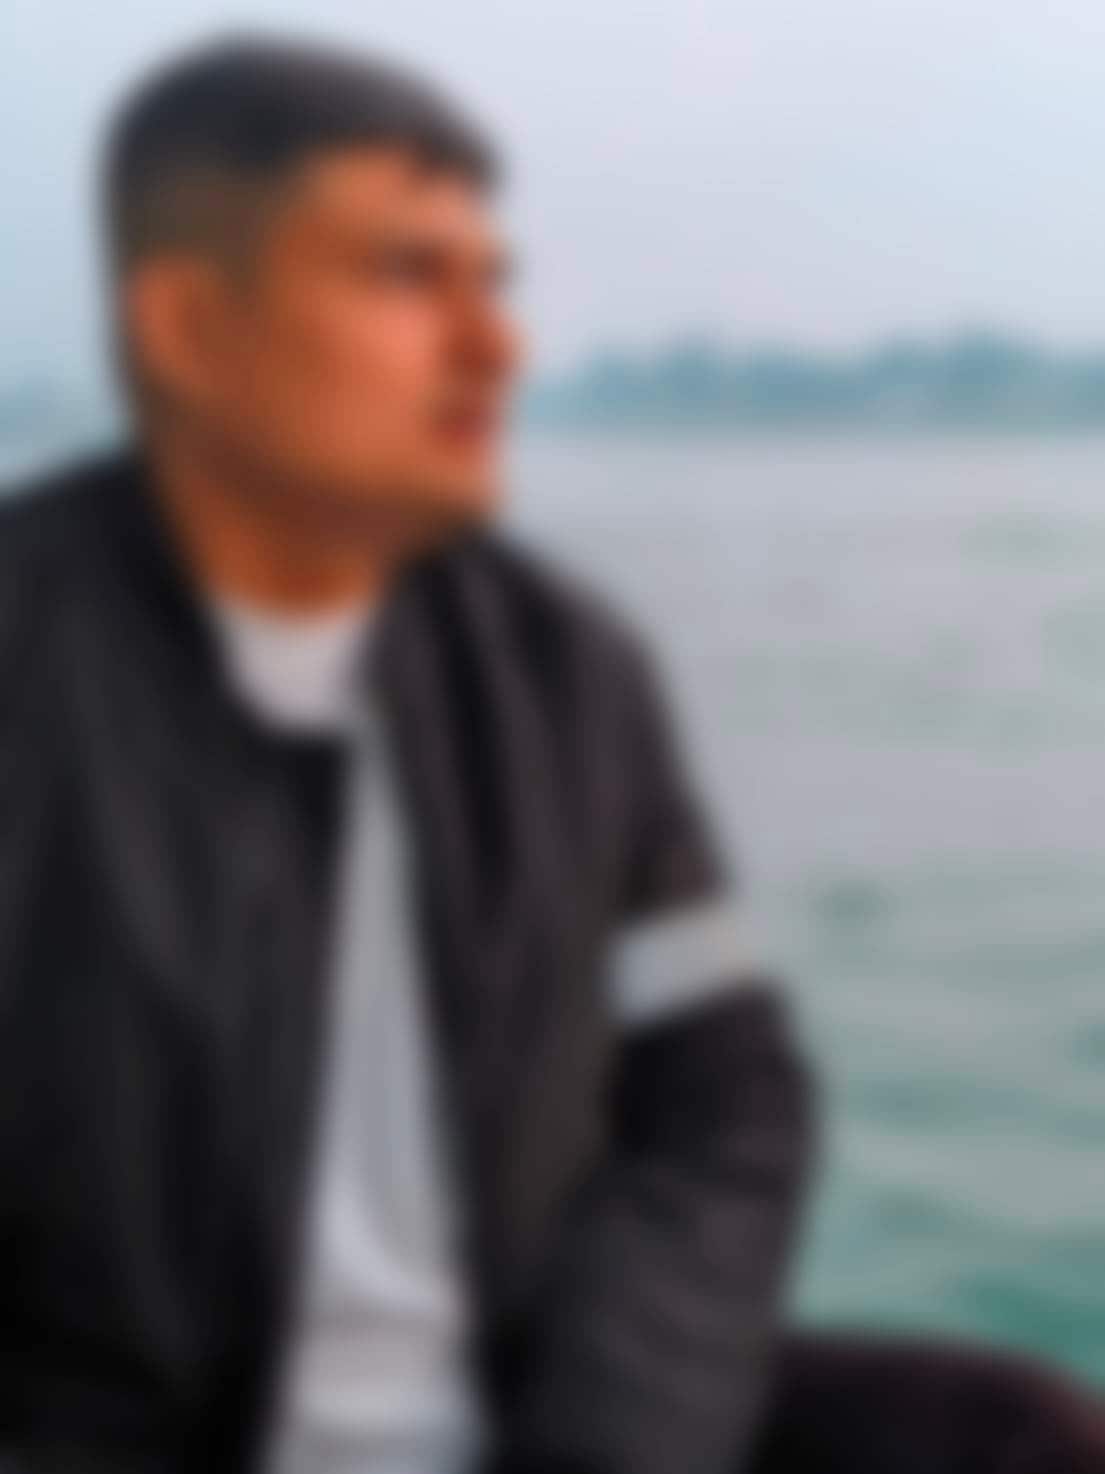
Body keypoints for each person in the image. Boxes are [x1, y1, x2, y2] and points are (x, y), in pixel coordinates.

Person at [1, 34, 1102, 1474]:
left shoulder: (565, 674)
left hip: (534, 1414)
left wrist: (611, 1438)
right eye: (408, 275)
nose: (495, 344)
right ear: (191, 326)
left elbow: (723, 1097)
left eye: (494, 281)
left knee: (1013, 1437)